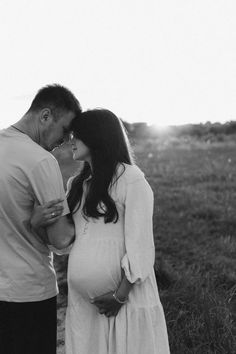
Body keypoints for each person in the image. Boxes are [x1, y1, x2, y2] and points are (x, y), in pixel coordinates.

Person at [31, 109, 170, 354]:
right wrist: (38, 223)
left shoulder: (130, 179)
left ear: (98, 137)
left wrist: (120, 296)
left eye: (77, 135)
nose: (71, 140)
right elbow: (65, 242)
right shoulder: (76, 185)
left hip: (124, 302)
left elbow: (141, 245)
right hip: (84, 308)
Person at [0, 84, 81, 354]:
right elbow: (62, 240)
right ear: (45, 116)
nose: (66, 139)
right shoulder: (41, 161)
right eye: (65, 129)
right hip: (29, 294)